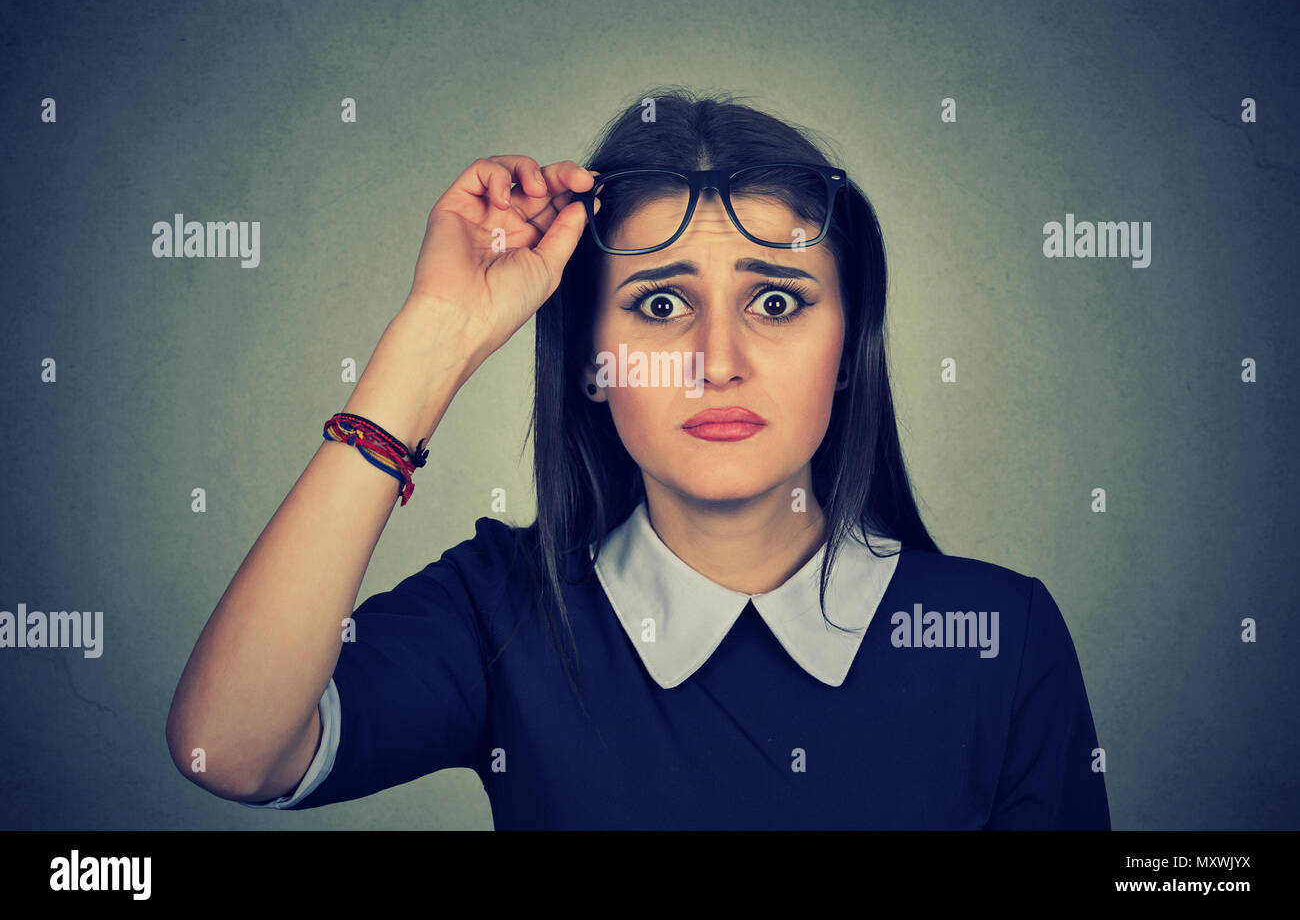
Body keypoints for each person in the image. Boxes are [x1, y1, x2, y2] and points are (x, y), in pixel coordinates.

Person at [165, 87, 1110, 830]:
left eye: (777, 302)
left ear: (849, 350)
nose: (719, 361)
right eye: (660, 306)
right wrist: (435, 340)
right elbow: (230, 751)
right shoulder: (503, 611)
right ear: (590, 361)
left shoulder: (1001, 637)